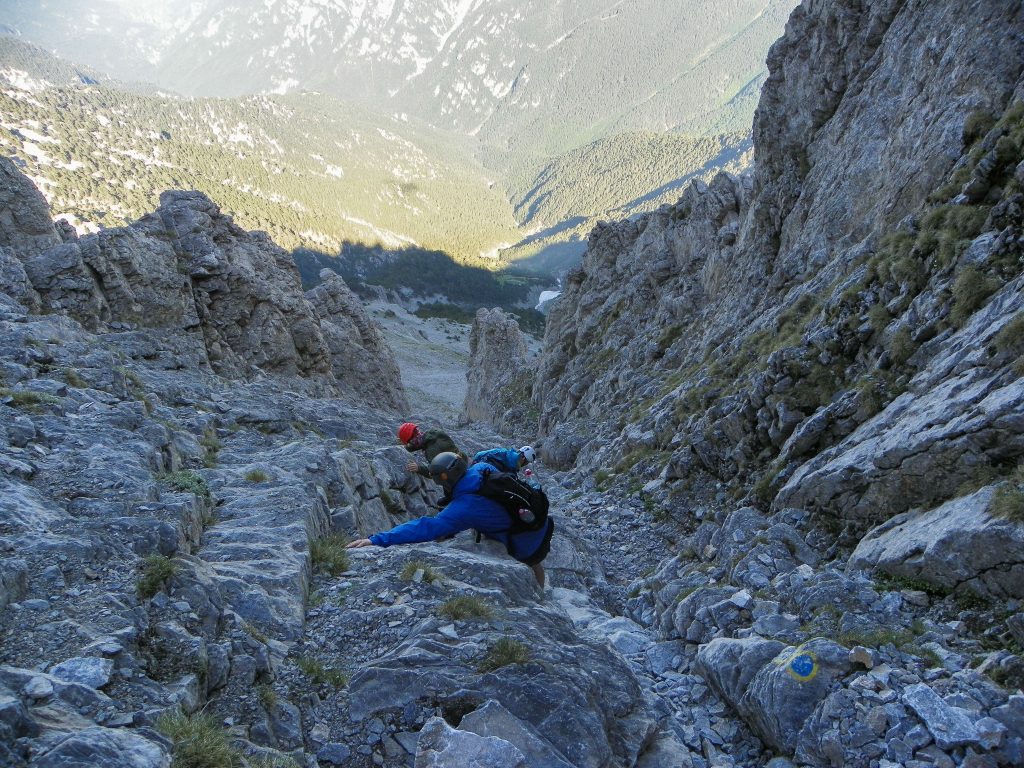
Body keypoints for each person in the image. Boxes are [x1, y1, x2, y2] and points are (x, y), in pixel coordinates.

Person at [347, 452, 554, 587]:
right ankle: (543, 591)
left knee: (528, 562)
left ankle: (537, 594)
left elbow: (427, 527)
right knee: (536, 563)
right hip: (539, 524)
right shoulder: (481, 469)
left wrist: (376, 540)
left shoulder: (464, 508)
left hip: (525, 543)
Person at [471, 445, 536, 474]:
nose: (524, 465)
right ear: (523, 458)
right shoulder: (512, 473)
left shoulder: (501, 451)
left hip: (477, 471)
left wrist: (472, 467)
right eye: (526, 463)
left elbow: (479, 454)